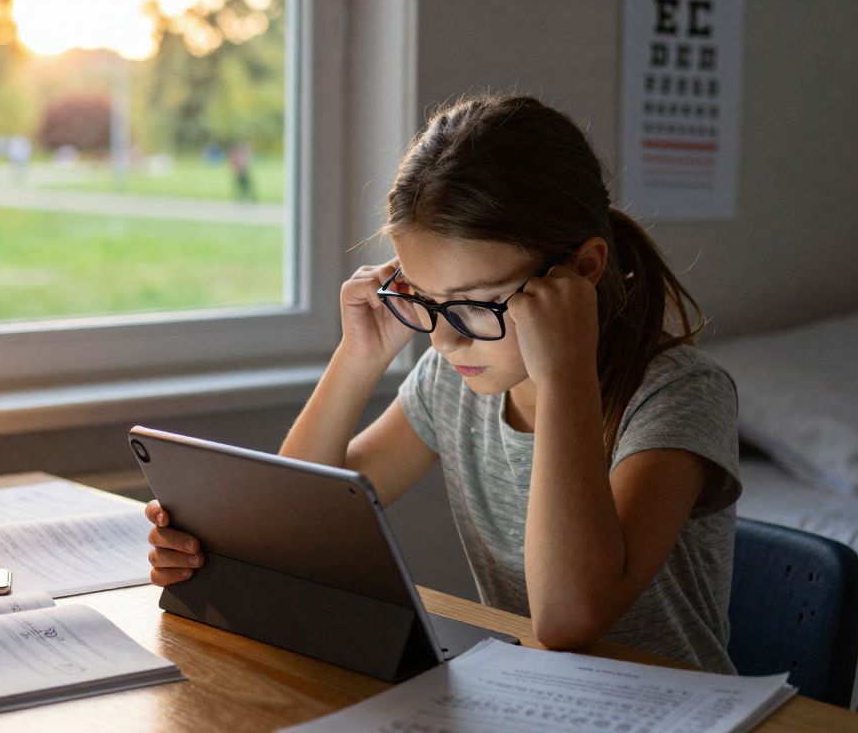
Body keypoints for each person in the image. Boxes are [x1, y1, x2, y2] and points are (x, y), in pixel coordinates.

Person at [143, 94, 743, 673]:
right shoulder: (455, 379)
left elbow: (567, 618)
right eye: (426, 303)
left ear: (582, 271)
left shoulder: (679, 397)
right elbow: (292, 528)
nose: (444, 339)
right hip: (533, 699)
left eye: (476, 305)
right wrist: (356, 359)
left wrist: (565, 377)